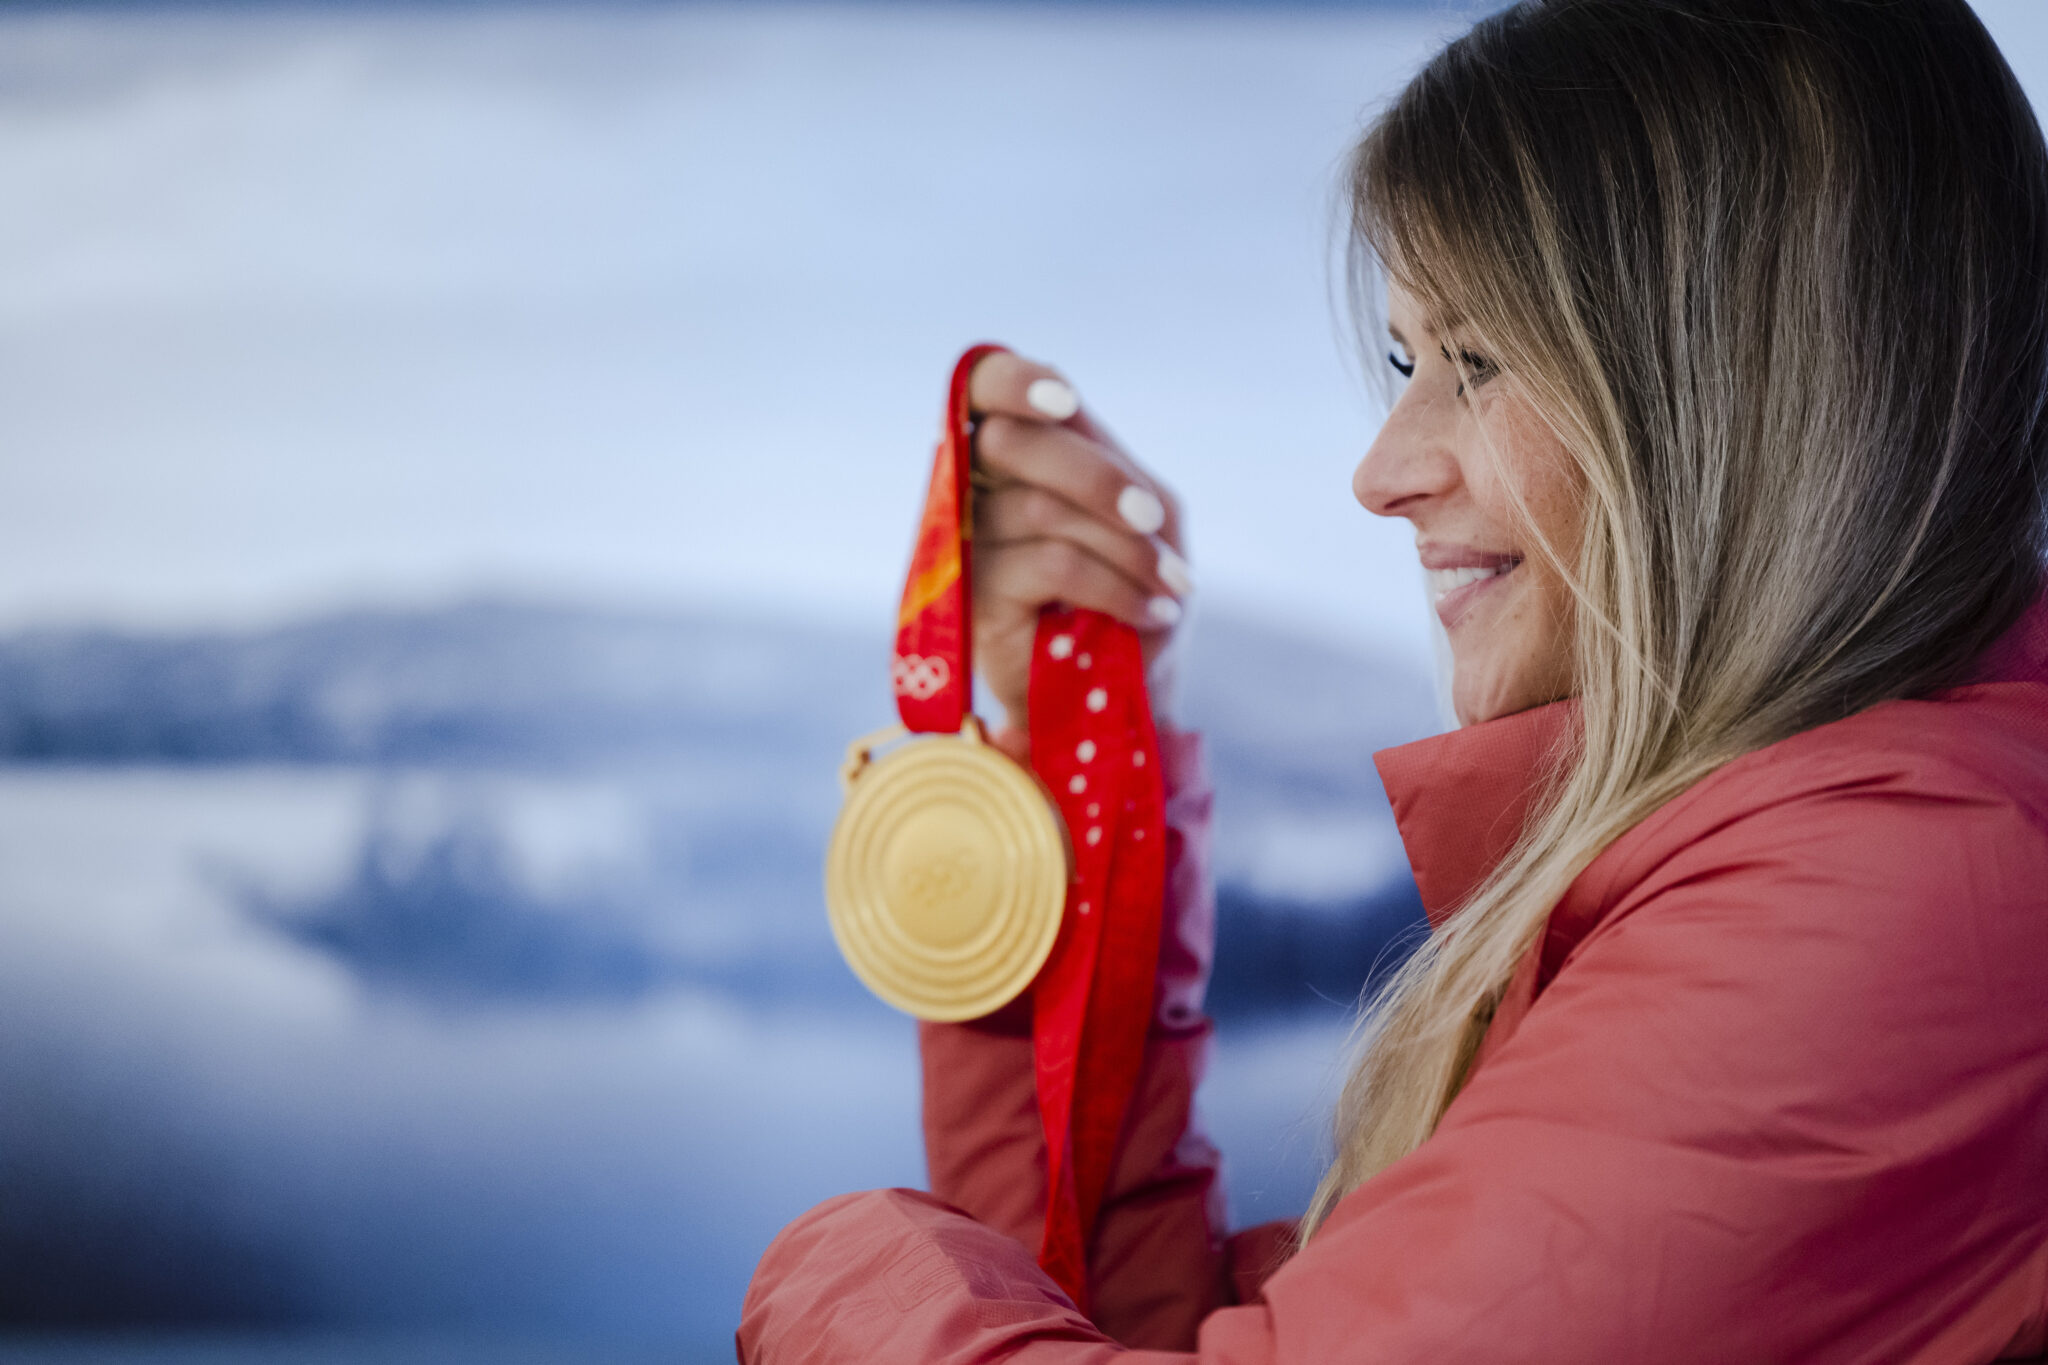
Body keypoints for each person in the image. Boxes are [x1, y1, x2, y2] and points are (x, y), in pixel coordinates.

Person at [740, 0, 2048, 1358]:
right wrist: (1070, 778)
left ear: (1754, 389)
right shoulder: (1845, 855)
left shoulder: (1892, 892)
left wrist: (830, 1270)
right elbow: (1219, 1330)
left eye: (1477, 362)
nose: (1380, 472)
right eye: (1405, 360)